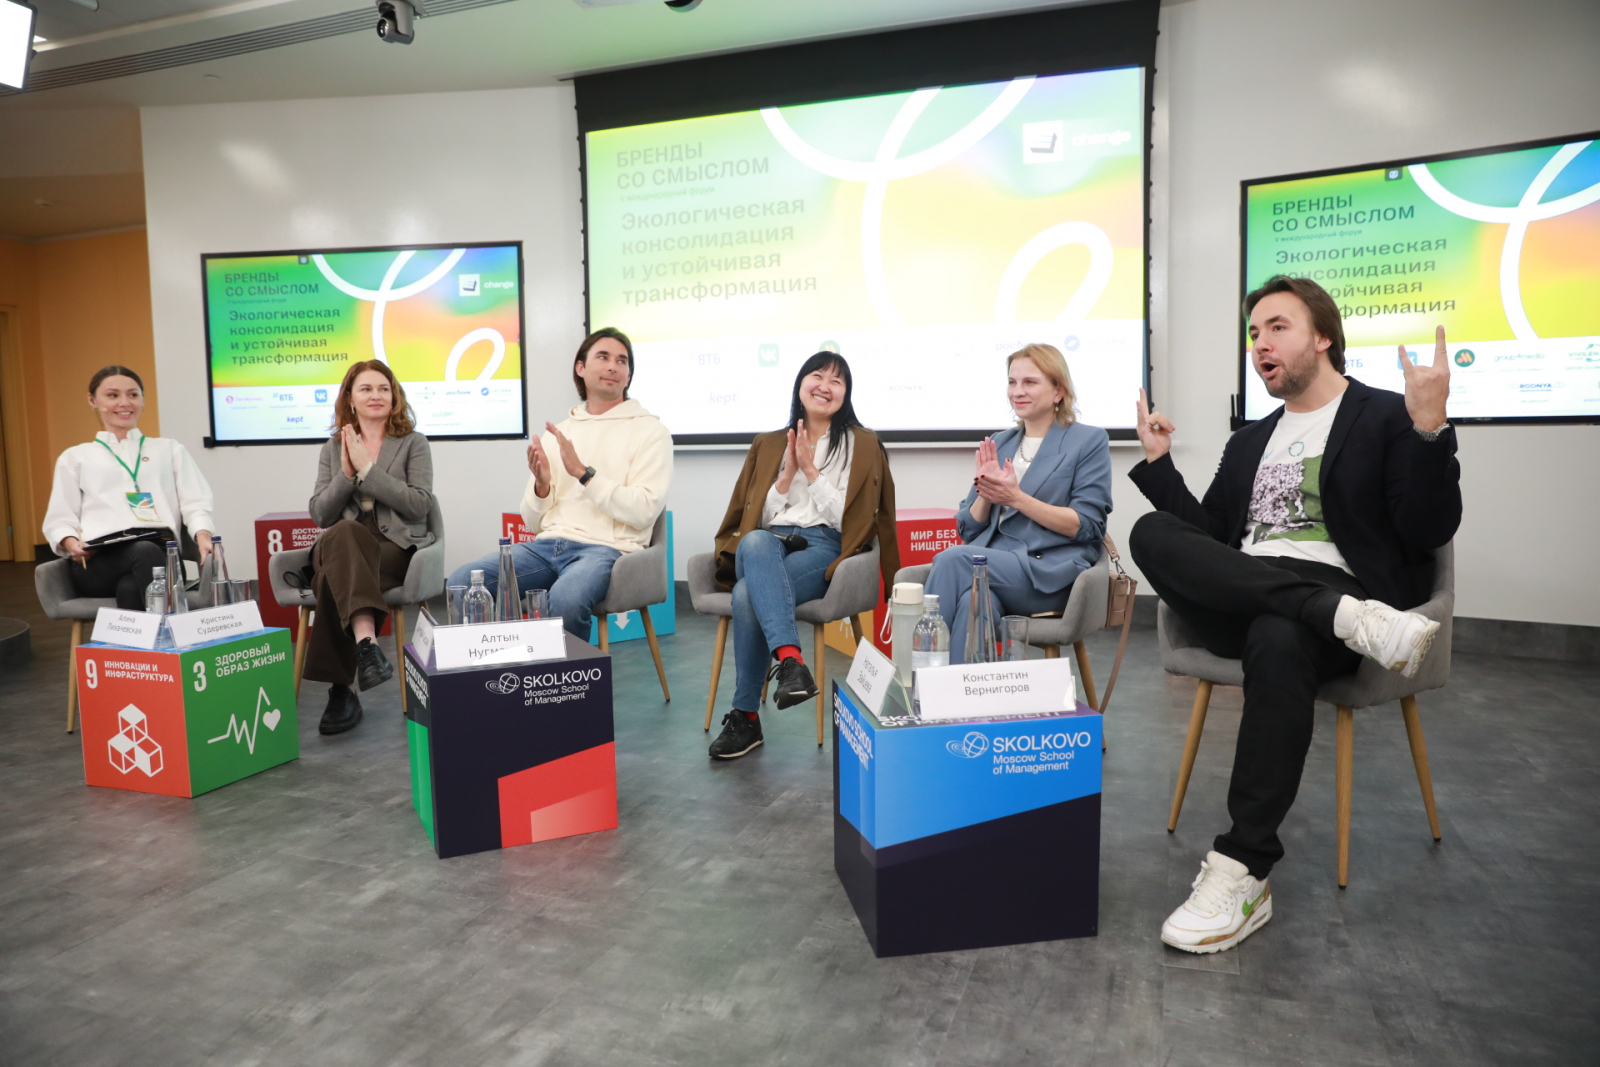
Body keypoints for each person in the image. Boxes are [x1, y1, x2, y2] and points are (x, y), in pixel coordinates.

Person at [1129, 274, 1460, 955]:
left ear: (1323, 337)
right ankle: (1338, 614)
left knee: (1279, 635)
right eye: (1254, 332)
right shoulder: (1249, 441)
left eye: (1277, 327)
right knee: (1151, 532)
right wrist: (1159, 465)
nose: (1260, 343)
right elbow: (1209, 538)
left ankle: (1242, 869)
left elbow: (1427, 530)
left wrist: (1430, 429)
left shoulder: (1384, 415)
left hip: (1329, 593)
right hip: (1265, 598)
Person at [706, 352, 900, 759]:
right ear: (800, 385)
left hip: (823, 546)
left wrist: (812, 472)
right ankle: (792, 662)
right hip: (767, 543)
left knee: (746, 594)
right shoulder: (768, 443)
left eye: (836, 381)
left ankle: (747, 716)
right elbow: (753, 518)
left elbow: (850, 522)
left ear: (846, 394)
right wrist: (787, 475)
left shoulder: (862, 445)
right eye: (817, 376)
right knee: (756, 542)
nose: (825, 386)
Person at [451, 327, 672, 642]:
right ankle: (492, 669)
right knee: (461, 582)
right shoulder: (561, 433)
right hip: (546, 546)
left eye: (622, 361)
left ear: (628, 376)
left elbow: (644, 510)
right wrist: (541, 487)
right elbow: (533, 523)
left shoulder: (651, 431)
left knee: (566, 599)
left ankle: (566, 676)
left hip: (607, 550)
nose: (613, 366)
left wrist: (584, 474)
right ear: (580, 368)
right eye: (603, 357)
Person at [925, 344, 1112, 664]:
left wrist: (1016, 498)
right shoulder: (1001, 442)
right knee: (973, 603)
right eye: (1012, 382)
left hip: (1048, 574)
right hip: (996, 569)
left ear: (1058, 391)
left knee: (953, 560)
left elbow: (1087, 526)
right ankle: (958, 692)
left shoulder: (1088, 441)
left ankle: (919, 677)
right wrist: (986, 493)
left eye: (1030, 382)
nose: (1017, 391)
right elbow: (967, 529)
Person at [305, 360, 435, 736]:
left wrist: (368, 472)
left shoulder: (413, 443)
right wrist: (347, 474)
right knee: (345, 531)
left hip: (392, 547)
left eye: (383, 388)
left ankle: (341, 691)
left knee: (329, 581)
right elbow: (320, 514)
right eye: (366, 388)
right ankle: (367, 646)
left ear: (394, 396)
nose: (375, 395)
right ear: (350, 397)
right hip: (339, 542)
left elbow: (419, 505)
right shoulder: (333, 447)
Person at [44, 365, 215, 611]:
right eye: (113, 395)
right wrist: (72, 544)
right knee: (144, 553)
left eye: (133, 395)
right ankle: (175, 627)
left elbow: (195, 502)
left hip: (162, 555)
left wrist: (203, 535)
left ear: (143, 401)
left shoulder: (169, 450)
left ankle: (141, 636)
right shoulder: (76, 457)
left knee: (131, 587)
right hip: (100, 563)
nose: (124, 402)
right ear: (93, 400)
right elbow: (60, 519)